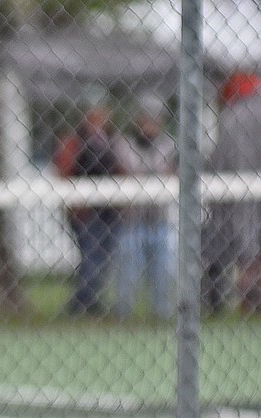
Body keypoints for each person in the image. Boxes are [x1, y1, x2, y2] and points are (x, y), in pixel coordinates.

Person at [53, 100, 126, 316]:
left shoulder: (113, 142)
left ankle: (90, 299)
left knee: (104, 256)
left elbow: (122, 169)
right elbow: (63, 170)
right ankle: (82, 302)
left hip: (108, 210)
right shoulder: (74, 142)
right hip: (84, 211)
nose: (98, 119)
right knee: (90, 256)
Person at [204, 71, 261, 313]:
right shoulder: (241, 111)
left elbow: (221, 163)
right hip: (241, 190)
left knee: (234, 245)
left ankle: (241, 297)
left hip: (236, 193)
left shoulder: (233, 116)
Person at [113, 101, 177, 319]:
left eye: (155, 119)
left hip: (160, 219)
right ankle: (123, 316)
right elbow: (130, 172)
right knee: (128, 273)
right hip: (132, 220)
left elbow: (167, 173)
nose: (150, 124)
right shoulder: (123, 144)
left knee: (165, 270)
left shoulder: (168, 145)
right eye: (145, 118)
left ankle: (162, 315)